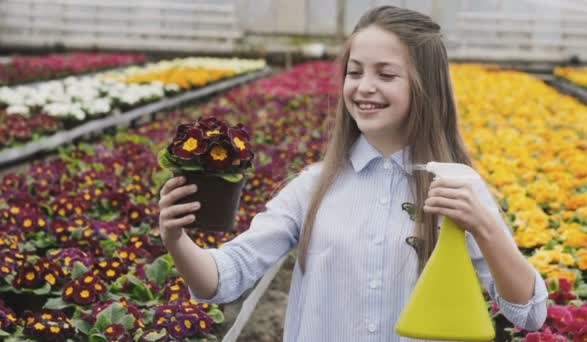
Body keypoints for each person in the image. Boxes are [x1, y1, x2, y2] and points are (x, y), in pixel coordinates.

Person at [158, 6, 548, 341]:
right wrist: (177, 239)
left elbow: (528, 314)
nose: (364, 87)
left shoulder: (456, 186)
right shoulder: (313, 186)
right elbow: (228, 276)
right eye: (355, 71)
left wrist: (487, 229)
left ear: (425, 86)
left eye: (386, 74)